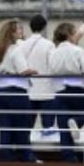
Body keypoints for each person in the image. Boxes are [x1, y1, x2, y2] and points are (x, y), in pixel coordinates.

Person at [0, 19, 35, 163]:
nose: (21, 32)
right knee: (23, 124)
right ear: (13, 33)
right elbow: (22, 70)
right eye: (19, 30)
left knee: (5, 123)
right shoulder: (16, 49)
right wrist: (34, 71)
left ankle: (6, 155)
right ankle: (26, 155)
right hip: (15, 91)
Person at [48, 22, 84, 164]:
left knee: (63, 128)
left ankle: (68, 158)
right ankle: (77, 122)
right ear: (70, 35)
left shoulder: (53, 52)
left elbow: (51, 70)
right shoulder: (78, 51)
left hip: (60, 91)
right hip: (77, 89)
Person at [22, 15, 57, 145]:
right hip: (47, 91)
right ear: (44, 27)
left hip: (28, 90)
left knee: (27, 127)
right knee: (48, 128)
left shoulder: (23, 45)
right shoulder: (49, 45)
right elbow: (53, 65)